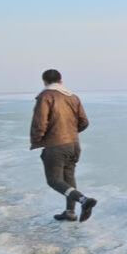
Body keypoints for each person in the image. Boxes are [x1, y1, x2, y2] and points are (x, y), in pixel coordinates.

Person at [30, 69, 98, 222]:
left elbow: (40, 123)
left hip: (56, 146)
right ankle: (70, 212)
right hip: (73, 144)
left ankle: (84, 201)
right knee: (68, 178)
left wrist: (38, 139)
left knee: (54, 180)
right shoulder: (73, 97)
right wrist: (71, 133)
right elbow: (84, 122)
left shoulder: (46, 96)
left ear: (45, 81)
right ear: (61, 81)